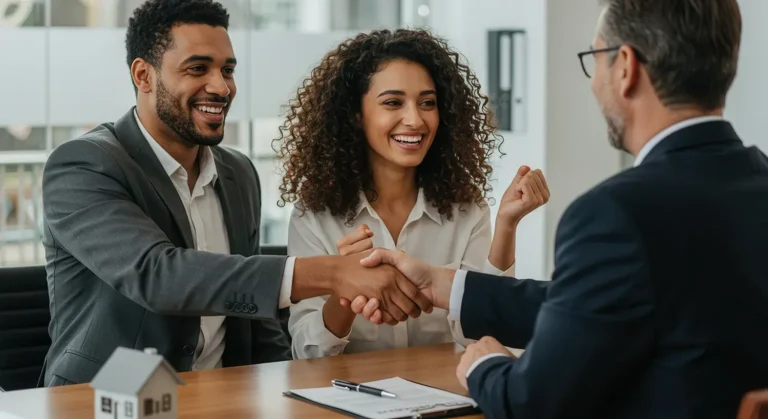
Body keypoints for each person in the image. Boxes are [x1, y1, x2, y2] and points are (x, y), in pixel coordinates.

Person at [350, 0, 768, 417]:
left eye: (595, 59)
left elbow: (532, 404)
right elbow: (594, 307)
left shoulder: (616, 214)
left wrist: (485, 365)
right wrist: (445, 287)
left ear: (625, 67)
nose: (592, 82)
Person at [40, 0, 430, 386]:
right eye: (198, 69)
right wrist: (332, 273)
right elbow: (157, 275)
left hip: (222, 397)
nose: (221, 87)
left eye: (227, 70)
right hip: (107, 400)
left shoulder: (238, 173)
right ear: (144, 76)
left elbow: (252, 320)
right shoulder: (83, 165)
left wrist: (292, 390)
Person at [274, 29, 549, 359]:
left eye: (427, 103)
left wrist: (506, 225)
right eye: (392, 102)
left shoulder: (466, 209)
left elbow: (486, 334)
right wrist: (344, 286)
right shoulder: (313, 216)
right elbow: (308, 355)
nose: (415, 119)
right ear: (356, 115)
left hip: (444, 396)